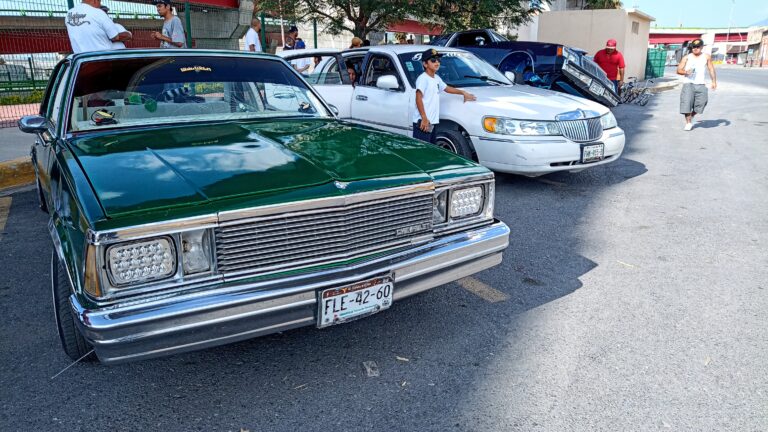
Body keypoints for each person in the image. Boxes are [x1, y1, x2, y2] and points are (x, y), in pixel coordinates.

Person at [412, 48, 476, 144]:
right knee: (422, 152)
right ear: (425, 64)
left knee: (431, 149)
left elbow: (447, 88)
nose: (437, 62)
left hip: (432, 122)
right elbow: (418, 98)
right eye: (433, 60)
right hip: (423, 122)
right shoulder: (423, 79)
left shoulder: (436, 78)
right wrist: (424, 118)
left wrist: (463, 92)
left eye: (438, 60)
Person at [676, 38, 717, 131]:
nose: (695, 48)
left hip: (701, 84)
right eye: (694, 47)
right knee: (686, 104)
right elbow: (678, 70)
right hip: (688, 83)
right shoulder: (686, 57)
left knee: (702, 103)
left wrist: (714, 81)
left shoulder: (706, 57)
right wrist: (686, 72)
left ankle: (691, 115)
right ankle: (688, 123)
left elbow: (711, 69)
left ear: (702, 47)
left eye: (698, 47)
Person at [65, 0, 132, 53]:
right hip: (101, 58)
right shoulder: (98, 12)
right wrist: (129, 34)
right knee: (119, 45)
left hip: (81, 59)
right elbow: (115, 37)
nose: (99, 5)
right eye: (100, 1)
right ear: (95, 0)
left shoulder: (69, 14)